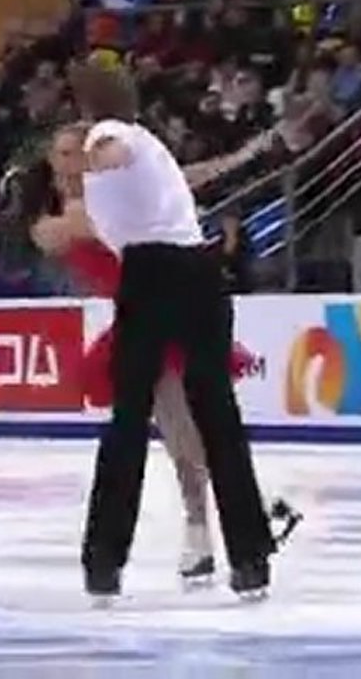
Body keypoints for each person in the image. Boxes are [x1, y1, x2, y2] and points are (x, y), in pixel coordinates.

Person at [32, 124, 299, 583]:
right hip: (140, 311)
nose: (70, 159)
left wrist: (239, 158)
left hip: (169, 303)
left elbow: (176, 178)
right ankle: (242, 518)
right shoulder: (80, 209)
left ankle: (202, 536)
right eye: (62, 153)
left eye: (76, 150)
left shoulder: (111, 194)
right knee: (179, 425)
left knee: (179, 425)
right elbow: (54, 233)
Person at [68, 62, 276, 601]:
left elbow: (107, 150)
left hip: (154, 274)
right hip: (201, 274)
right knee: (217, 413)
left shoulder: (106, 135)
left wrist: (89, 158)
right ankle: (251, 557)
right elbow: (182, 176)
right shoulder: (152, 146)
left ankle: (104, 561)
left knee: (130, 416)